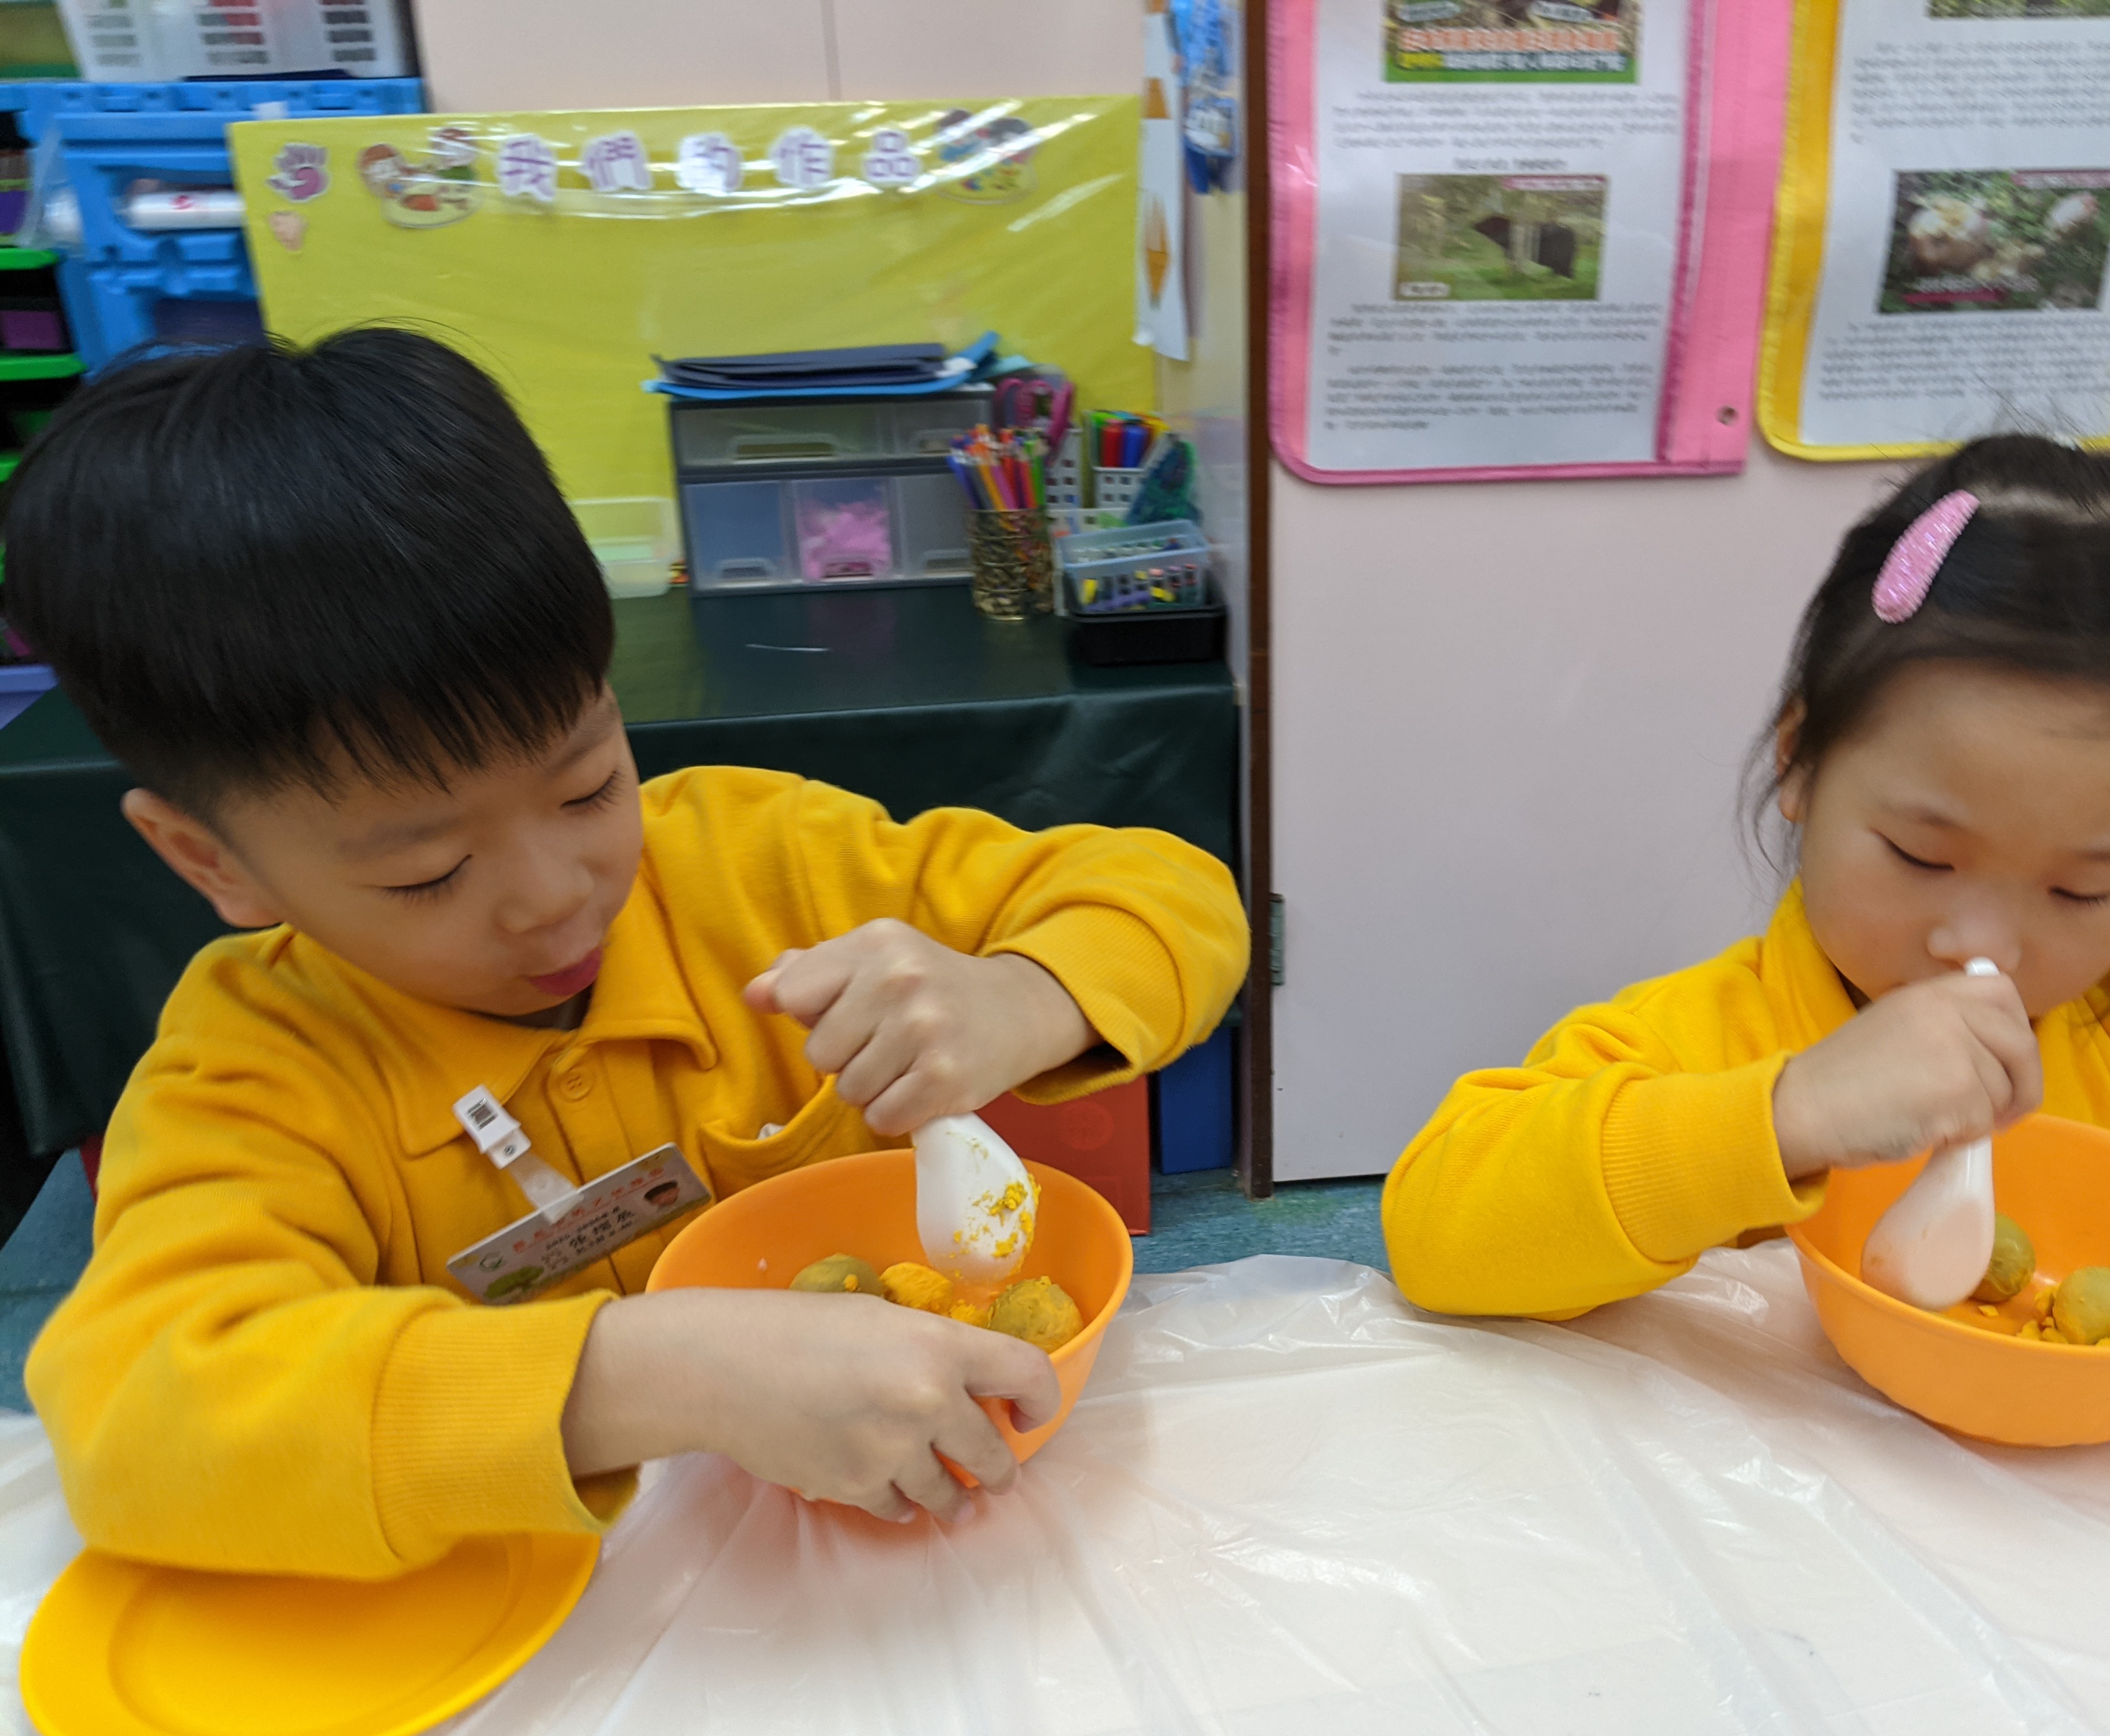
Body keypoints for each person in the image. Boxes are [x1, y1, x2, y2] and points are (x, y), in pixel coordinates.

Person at [9, 330, 1249, 1577]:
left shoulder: (759, 858)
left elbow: (1174, 892)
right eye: (427, 872)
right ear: (210, 861)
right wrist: (643, 1378)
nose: (555, 897)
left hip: (911, 1561)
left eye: (588, 785)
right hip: (561, 1613)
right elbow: (134, 1431)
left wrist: (1023, 994)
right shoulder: (257, 1072)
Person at [1384, 436, 2110, 1389]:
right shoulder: (1717, 1037)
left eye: (2082, 891)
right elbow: (1437, 1232)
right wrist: (1782, 1119)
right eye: (1923, 856)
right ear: (1800, 763)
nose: (1983, 944)